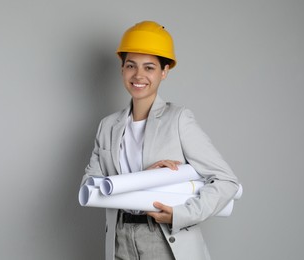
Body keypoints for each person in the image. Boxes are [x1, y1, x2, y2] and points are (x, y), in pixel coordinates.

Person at [80, 21, 239, 260]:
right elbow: (89, 184)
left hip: (164, 237)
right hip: (119, 237)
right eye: (131, 65)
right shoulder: (107, 126)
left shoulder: (178, 119)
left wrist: (180, 215)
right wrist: (145, 178)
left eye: (149, 67)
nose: (139, 75)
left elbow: (226, 181)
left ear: (164, 72)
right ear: (122, 69)